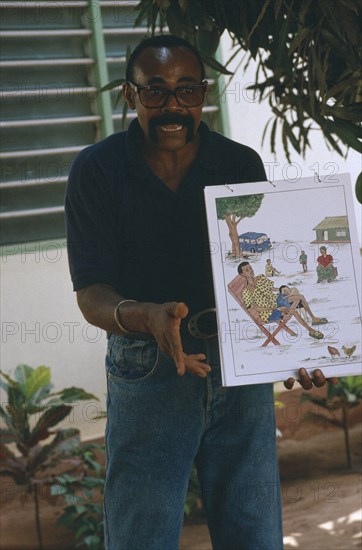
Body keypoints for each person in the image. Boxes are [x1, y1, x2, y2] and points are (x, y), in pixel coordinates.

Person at [65, 35, 332, 550]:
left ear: (203, 94)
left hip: (240, 365)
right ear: (128, 94)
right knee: (141, 534)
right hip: (148, 368)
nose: (173, 106)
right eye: (155, 92)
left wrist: (298, 352)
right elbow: (90, 292)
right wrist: (146, 316)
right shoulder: (97, 171)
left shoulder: (239, 165)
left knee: (253, 532)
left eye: (187, 90)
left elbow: (267, 271)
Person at [238, 262, 328, 339]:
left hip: (276, 299)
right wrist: (277, 309)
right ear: (242, 274)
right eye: (247, 270)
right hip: (269, 312)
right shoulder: (246, 291)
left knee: (300, 296)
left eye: (250, 268)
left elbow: (273, 289)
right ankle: (310, 330)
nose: (250, 270)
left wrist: (285, 290)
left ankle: (314, 319)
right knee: (292, 310)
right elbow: (257, 308)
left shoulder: (261, 278)